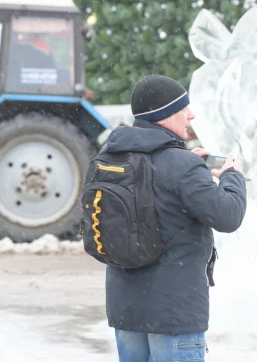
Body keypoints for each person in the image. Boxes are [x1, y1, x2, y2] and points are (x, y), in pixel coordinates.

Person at [104, 74, 247, 362]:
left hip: (126, 310)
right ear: (165, 114)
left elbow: (155, 191)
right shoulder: (182, 167)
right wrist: (232, 175)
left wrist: (189, 164)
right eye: (184, 108)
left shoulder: (111, 157)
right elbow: (229, 215)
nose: (191, 115)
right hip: (173, 313)